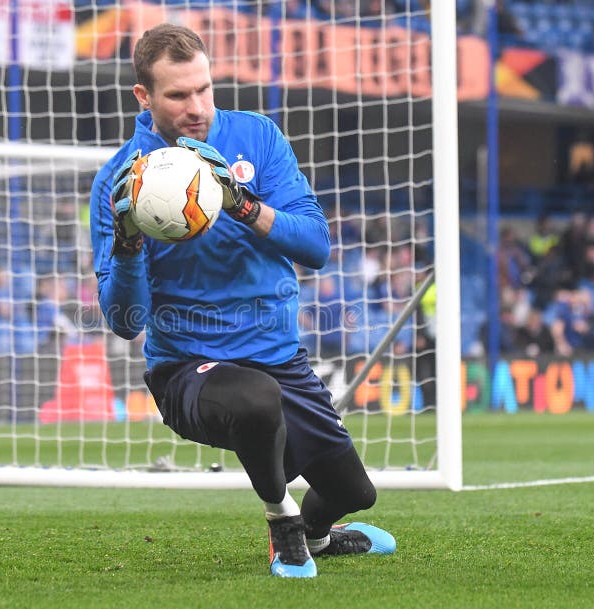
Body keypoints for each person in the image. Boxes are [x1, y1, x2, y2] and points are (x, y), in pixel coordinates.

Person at [89, 23, 395, 579]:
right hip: (187, 369)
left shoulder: (257, 136)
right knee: (255, 399)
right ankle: (283, 525)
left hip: (278, 357)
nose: (196, 107)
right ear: (144, 97)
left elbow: (316, 247)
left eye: (204, 89)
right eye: (178, 95)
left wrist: (243, 205)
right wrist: (129, 243)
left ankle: (319, 534)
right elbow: (123, 320)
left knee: (355, 492)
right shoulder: (119, 180)